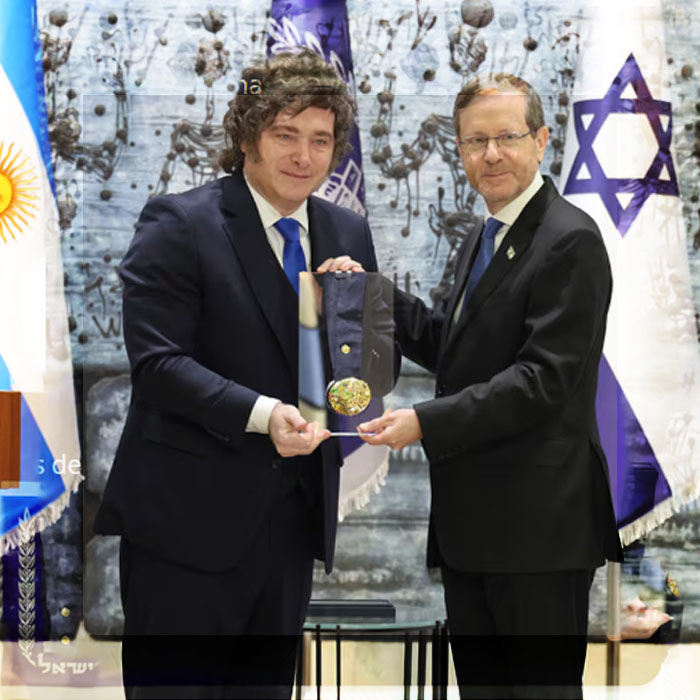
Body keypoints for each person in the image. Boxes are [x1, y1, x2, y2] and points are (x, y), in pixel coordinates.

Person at [94, 49, 384, 699]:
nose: (303, 156)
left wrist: (350, 322)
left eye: (320, 139)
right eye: (285, 134)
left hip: (290, 531)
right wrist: (263, 415)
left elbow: (356, 375)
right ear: (248, 135)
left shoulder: (347, 232)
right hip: (185, 531)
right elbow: (159, 364)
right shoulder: (179, 222)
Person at [359, 73, 623, 699]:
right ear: (460, 149)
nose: (491, 154)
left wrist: (424, 422)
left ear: (541, 140)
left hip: (539, 531)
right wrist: (368, 293)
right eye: (475, 141)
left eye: (507, 136)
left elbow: (541, 380)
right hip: (476, 528)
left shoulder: (570, 239)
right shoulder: (484, 234)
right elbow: (455, 351)